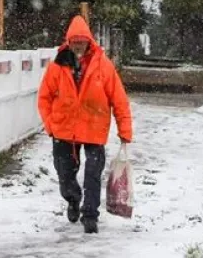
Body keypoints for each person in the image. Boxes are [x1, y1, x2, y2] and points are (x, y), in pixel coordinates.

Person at [37, 15, 132, 234]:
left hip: (94, 128)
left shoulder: (103, 66)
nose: (78, 45)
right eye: (75, 42)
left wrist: (125, 130)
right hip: (63, 130)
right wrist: (51, 125)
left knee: (92, 174)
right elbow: (44, 98)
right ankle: (73, 199)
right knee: (65, 173)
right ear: (68, 43)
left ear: (89, 42)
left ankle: (90, 215)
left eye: (82, 41)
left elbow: (119, 100)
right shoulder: (57, 66)